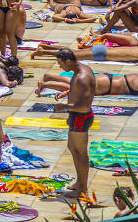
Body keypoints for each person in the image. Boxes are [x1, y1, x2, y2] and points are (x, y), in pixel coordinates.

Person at [53, 48, 96, 198]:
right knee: (72, 147)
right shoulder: (81, 69)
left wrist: (64, 106)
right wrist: (66, 93)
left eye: (60, 63)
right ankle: (80, 182)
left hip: (81, 117)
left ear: (68, 61)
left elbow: (85, 105)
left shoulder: (82, 77)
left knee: (81, 153)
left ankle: (82, 189)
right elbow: (79, 92)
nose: (60, 67)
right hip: (77, 116)